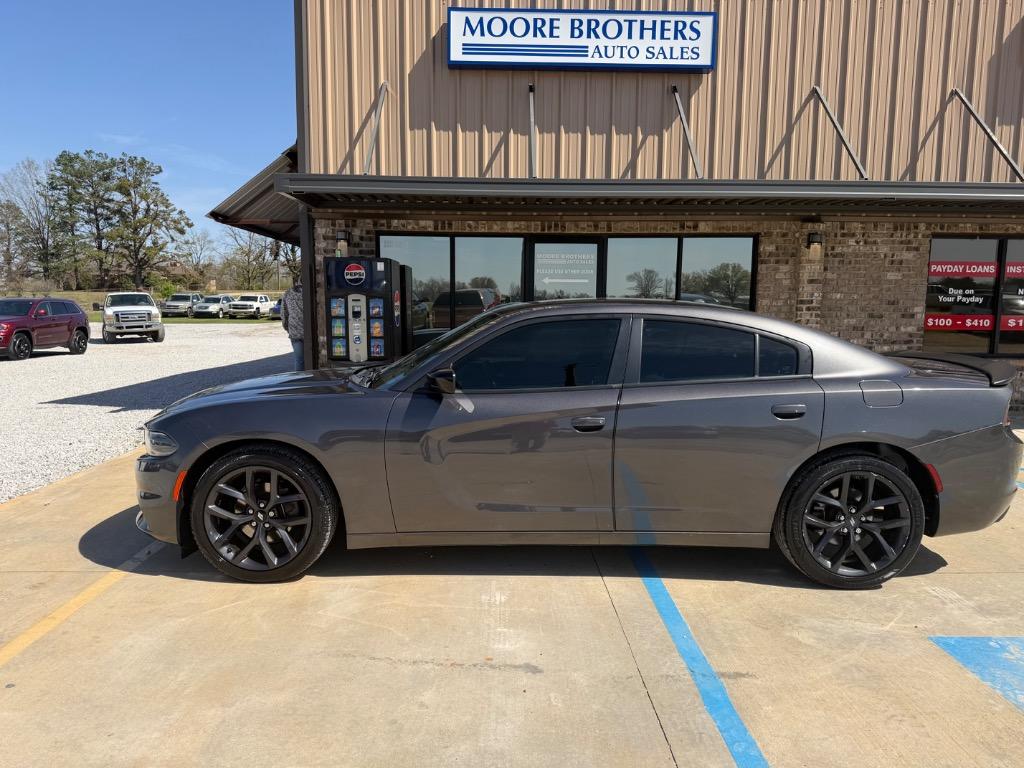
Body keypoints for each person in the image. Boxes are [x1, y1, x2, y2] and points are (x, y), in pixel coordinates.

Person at [281, 280, 305, 371]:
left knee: (299, 360)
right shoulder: (309, 292)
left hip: (294, 332)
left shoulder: (288, 293)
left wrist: (287, 328)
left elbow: (283, 313)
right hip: (309, 332)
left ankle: (300, 381)